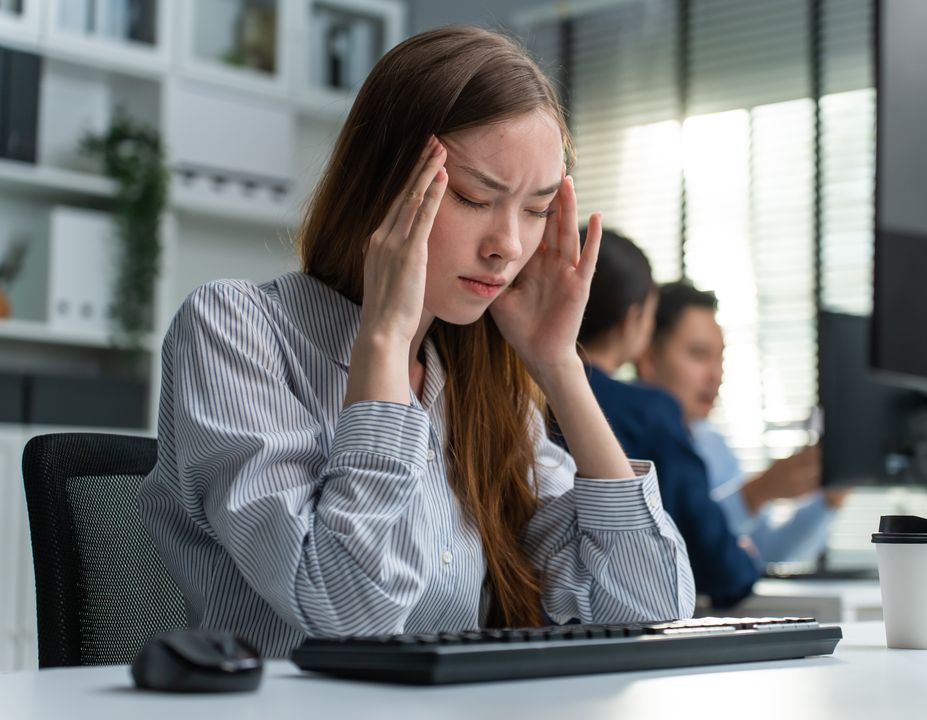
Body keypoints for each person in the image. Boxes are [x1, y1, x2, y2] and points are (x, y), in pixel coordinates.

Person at [138, 27, 695, 658]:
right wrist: (382, 340)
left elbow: (648, 603)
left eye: (536, 210)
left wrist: (559, 367)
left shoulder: (475, 379)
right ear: (382, 186)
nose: (508, 246)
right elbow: (348, 612)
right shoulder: (235, 329)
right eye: (473, 197)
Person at [575, 228, 759, 607]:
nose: (716, 375)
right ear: (634, 320)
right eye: (697, 354)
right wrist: (745, 563)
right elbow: (718, 564)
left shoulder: (517, 395)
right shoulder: (650, 413)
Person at [637, 282, 849, 564]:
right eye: (699, 355)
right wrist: (754, 494)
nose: (716, 374)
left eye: (720, 357)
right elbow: (657, 555)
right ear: (648, 357)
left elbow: (765, 551)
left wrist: (828, 499)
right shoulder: (619, 438)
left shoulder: (713, 445)